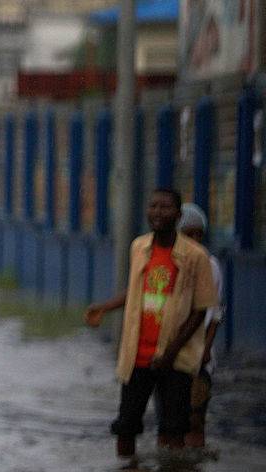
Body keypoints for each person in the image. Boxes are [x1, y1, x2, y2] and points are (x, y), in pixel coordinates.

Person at [84, 189, 217, 457]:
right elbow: (136, 291)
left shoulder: (196, 256)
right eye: (153, 206)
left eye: (165, 207)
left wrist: (170, 352)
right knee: (126, 426)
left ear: (178, 215)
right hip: (137, 356)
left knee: (173, 429)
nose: (158, 212)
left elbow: (201, 310)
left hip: (176, 358)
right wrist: (105, 307)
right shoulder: (139, 247)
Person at [176, 203, 223, 447]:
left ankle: (193, 469)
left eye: (198, 234)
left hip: (199, 356)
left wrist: (205, 350)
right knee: (171, 419)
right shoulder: (168, 263)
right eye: (188, 234)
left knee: (195, 417)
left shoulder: (210, 265)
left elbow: (215, 313)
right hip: (171, 355)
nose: (194, 239)